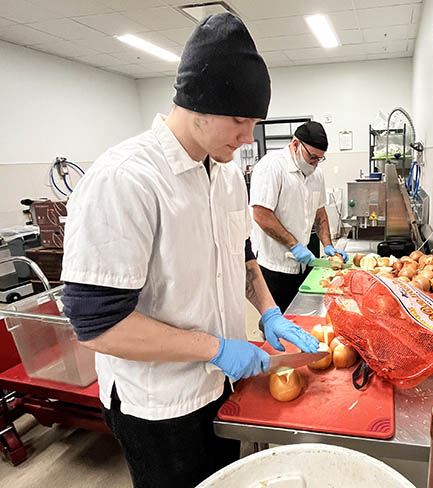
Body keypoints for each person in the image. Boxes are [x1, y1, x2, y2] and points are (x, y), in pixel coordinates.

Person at [60, 14, 318, 488]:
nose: (247, 138)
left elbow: (240, 255)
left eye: (253, 123)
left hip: (218, 389)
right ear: (196, 104)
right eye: (239, 121)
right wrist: (215, 348)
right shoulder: (126, 179)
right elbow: (97, 325)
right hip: (159, 406)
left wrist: (268, 310)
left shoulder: (223, 177)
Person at [249, 122, 348, 312]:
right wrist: (294, 245)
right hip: (275, 266)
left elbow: (320, 214)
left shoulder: (316, 174)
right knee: (280, 320)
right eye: (312, 157)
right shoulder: (271, 166)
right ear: (295, 144)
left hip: (305, 265)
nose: (315, 163)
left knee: (304, 314)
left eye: (320, 159)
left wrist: (328, 245)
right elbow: (261, 215)